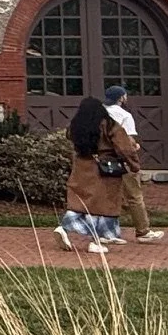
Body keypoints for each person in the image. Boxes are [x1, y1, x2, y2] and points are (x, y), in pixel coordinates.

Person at [55, 95, 132, 255]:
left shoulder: (76, 125)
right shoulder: (109, 125)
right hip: (104, 169)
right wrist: (133, 164)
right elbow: (124, 147)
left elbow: (70, 138)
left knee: (80, 203)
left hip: (81, 167)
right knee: (102, 205)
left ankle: (64, 228)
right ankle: (96, 241)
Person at [103, 85, 164, 243]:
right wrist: (135, 151)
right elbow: (128, 141)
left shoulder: (100, 114)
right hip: (123, 160)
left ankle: (106, 233)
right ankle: (143, 232)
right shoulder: (125, 115)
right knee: (134, 196)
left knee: (109, 195)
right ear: (121, 98)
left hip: (105, 160)